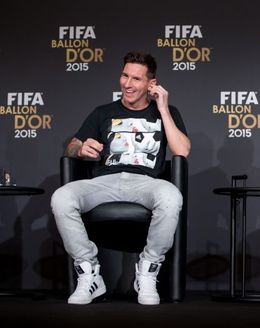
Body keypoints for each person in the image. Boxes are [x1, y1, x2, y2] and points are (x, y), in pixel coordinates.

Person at [51, 51, 191, 305]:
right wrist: (80, 149)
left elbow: (182, 151)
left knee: (171, 196)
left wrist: (163, 109)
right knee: (62, 197)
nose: (127, 84)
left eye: (136, 79)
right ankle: (89, 274)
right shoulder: (103, 112)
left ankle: (147, 271)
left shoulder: (167, 112)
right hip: (105, 182)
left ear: (151, 84)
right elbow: (71, 147)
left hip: (146, 183)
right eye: (125, 76)